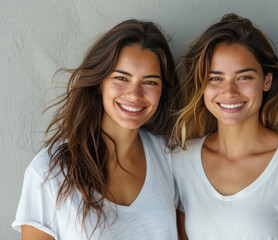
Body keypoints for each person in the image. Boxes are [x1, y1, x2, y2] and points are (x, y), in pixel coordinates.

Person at [171, 13, 278, 240]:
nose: (229, 92)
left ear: (266, 81)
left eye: (244, 77)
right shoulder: (181, 160)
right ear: (201, 84)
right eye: (215, 78)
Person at [12, 19, 179, 240]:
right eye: (122, 78)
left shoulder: (171, 158)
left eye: (149, 82)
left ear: (162, 90)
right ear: (100, 82)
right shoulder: (48, 172)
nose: (135, 94)